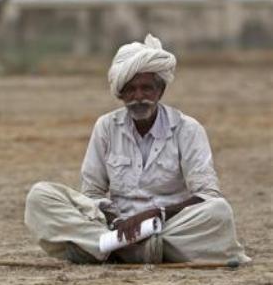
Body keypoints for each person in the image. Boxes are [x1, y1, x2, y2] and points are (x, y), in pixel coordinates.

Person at [24, 34, 250, 264]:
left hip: (168, 226)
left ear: (160, 91)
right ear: (120, 93)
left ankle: (105, 249)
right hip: (115, 227)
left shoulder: (188, 129)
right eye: (130, 90)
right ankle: (128, 247)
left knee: (219, 210)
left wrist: (157, 213)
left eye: (146, 88)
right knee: (40, 195)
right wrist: (116, 222)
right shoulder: (106, 127)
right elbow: (92, 193)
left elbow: (207, 194)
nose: (138, 97)